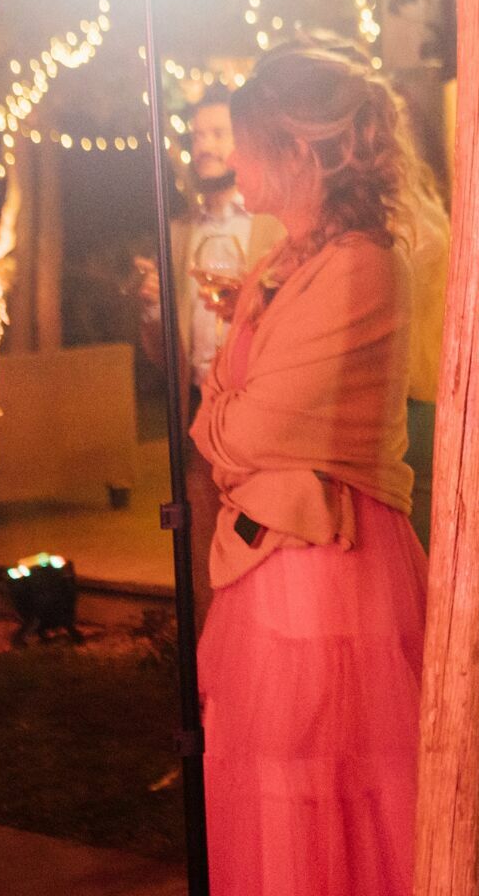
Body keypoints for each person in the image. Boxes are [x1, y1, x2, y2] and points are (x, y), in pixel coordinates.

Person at [188, 45, 479, 895]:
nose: (235, 162)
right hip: (271, 569)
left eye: (251, 144)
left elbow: (243, 422)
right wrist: (228, 417)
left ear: (301, 151)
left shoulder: (363, 265)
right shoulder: (280, 260)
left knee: (339, 797)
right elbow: (218, 407)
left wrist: (227, 419)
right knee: (274, 796)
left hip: (335, 582)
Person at [134, 86, 284, 633]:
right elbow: (161, 355)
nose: (206, 146)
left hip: (259, 418)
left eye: (219, 134)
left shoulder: (269, 225)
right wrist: (153, 310)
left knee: (260, 551)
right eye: (198, 135)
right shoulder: (179, 233)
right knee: (203, 557)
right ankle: (209, 685)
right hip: (199, 415)